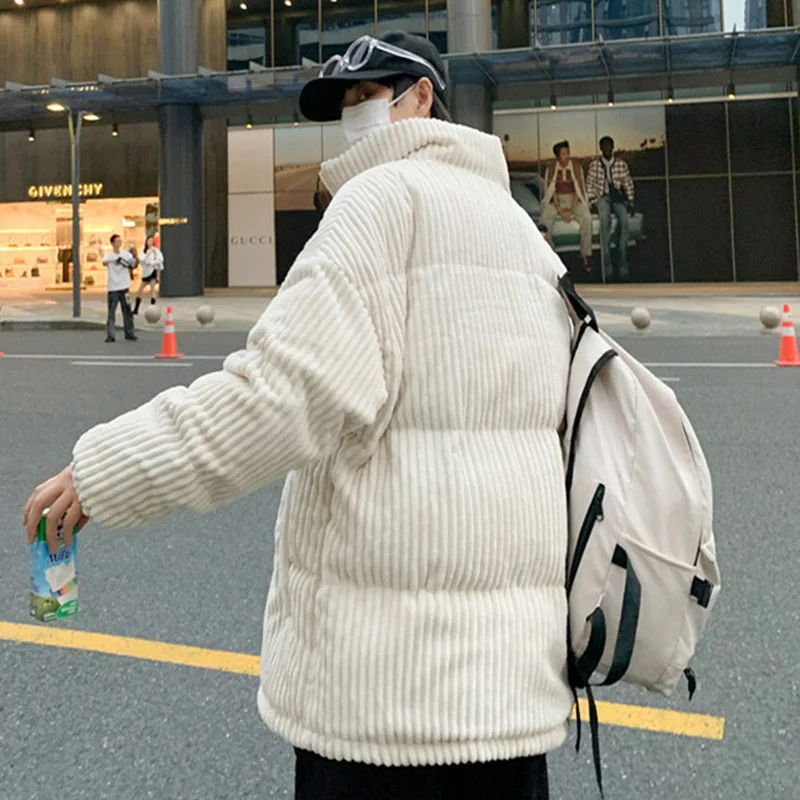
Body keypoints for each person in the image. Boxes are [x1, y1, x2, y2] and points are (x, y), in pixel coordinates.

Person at [24, 31, 572, 800]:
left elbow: (272, 398)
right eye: (344, 103)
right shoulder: (521, 232)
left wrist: (102, 474)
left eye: (368, 96)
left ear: (423, 97)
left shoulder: (378, 206)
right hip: (513, 697)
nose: (353, 115)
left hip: (387, 707)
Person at [587, 136, 635, 281]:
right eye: (604, 147)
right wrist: (593, 202)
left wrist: (630, 201)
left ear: (613, 147)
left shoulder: (621, 164)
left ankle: (622, 264)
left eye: (609, 146)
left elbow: (628, 182)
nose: (607, 149)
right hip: (602, 198)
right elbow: (590, 185)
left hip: (617, 198)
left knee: (625, 223)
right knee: (604, 224)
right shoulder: (595, 165)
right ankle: (607, 268)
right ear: (601, 149)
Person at [541, 141, 592, 271]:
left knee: (587, 218)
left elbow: (578, 190)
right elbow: (550, 191)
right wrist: (560, 210)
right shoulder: (551, 169)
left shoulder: (576, 167)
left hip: (574, 199)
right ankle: (550, 255)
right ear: (557, 156)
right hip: (557, 200)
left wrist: (571, 210)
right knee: (545, 221)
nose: (567, 156)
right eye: (563, 154)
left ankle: (584, 254)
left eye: (567, 153)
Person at [101, 234, 137, 343]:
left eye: (120, 241)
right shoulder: (109, 255)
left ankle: (129, 333)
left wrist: (134, 259)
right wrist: (113, 261)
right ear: (112, 243)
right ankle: (111, 335)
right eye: (117, 241)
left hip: (124, 287)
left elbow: (133, 263)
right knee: (111, 312)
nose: (119, 243)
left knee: (127, 310)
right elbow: (104, 262)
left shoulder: (126, 254)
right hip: (113, 288)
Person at [133, 236, 164, 315]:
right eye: (149, 241)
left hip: (152, 271)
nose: (150, 242)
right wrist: (147, 256)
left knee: (152, 289)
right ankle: (136, 308)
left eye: (151, 241)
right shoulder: (144, 251)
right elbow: (142, 260)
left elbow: (160, 261)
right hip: (145, 273)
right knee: (140, 290)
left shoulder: (156, 251)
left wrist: (157, 274)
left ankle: (152, 308)